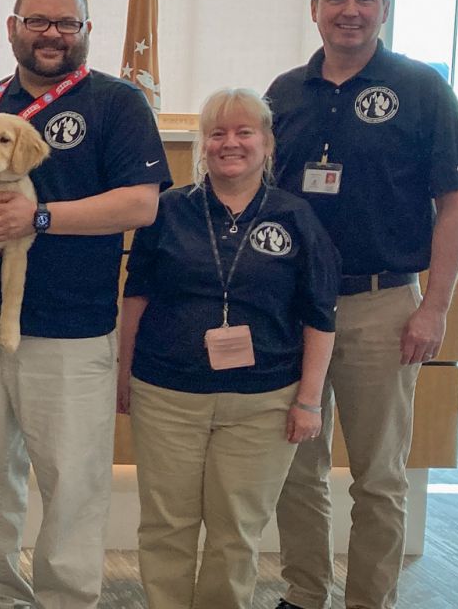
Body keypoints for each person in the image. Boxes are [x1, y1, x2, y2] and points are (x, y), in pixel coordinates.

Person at [0, 0, 169, 609]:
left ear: (85, 32)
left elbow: (140, 204)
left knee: (72, 486)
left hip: (73, 335)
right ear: (13, 29)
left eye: (66, 24)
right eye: (38, 22)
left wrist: (39, 218)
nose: (52, 36)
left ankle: (66, 600)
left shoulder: (117, 103)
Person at [268, 0, 458, 609]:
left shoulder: (421, 89)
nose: (350, 11)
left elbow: (455, 203)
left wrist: (434, 307)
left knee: (379, 478)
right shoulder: (283, 92)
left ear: (383, 9)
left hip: (381, 306)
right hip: (294, 308)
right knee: (294, 472)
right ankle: (304, 594)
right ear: (314, 9)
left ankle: (369, 601)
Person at [117, 87, 339, 609]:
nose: (230, 143)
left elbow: (321, 315)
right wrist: (122, 374)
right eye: (217, 133)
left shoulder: (295, 216)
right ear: (202, 144)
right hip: (167, 393)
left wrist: (309, 400)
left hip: (264, 402)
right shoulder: (168, 210)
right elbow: (136, 297)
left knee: (236, 531)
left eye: (244, 132)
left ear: (266, 142)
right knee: (166, 524)